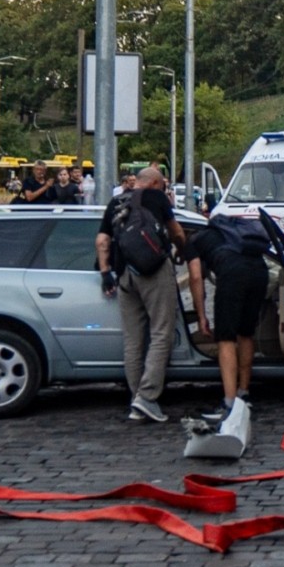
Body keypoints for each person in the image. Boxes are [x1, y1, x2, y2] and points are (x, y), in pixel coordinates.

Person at [96, 167, 188, 422]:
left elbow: (102, 241)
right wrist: (182, 250)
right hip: (153, 270)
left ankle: (137, 399)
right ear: (156, 183)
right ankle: (147, 398)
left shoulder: (116, 202)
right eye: (165, 185)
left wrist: (106, 273)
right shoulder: (156, 198)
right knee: (161, 333)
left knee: (133, 340)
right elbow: (177, 231)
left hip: (124, 274)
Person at [186, 216, 271, 422]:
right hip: (260, 272)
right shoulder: (232, 235)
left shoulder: (193, 242)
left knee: (226, 338)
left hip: (233, 274)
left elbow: (196, 277)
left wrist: (201, 316)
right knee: (245, 333)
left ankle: (229, 403)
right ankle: (244, 393)